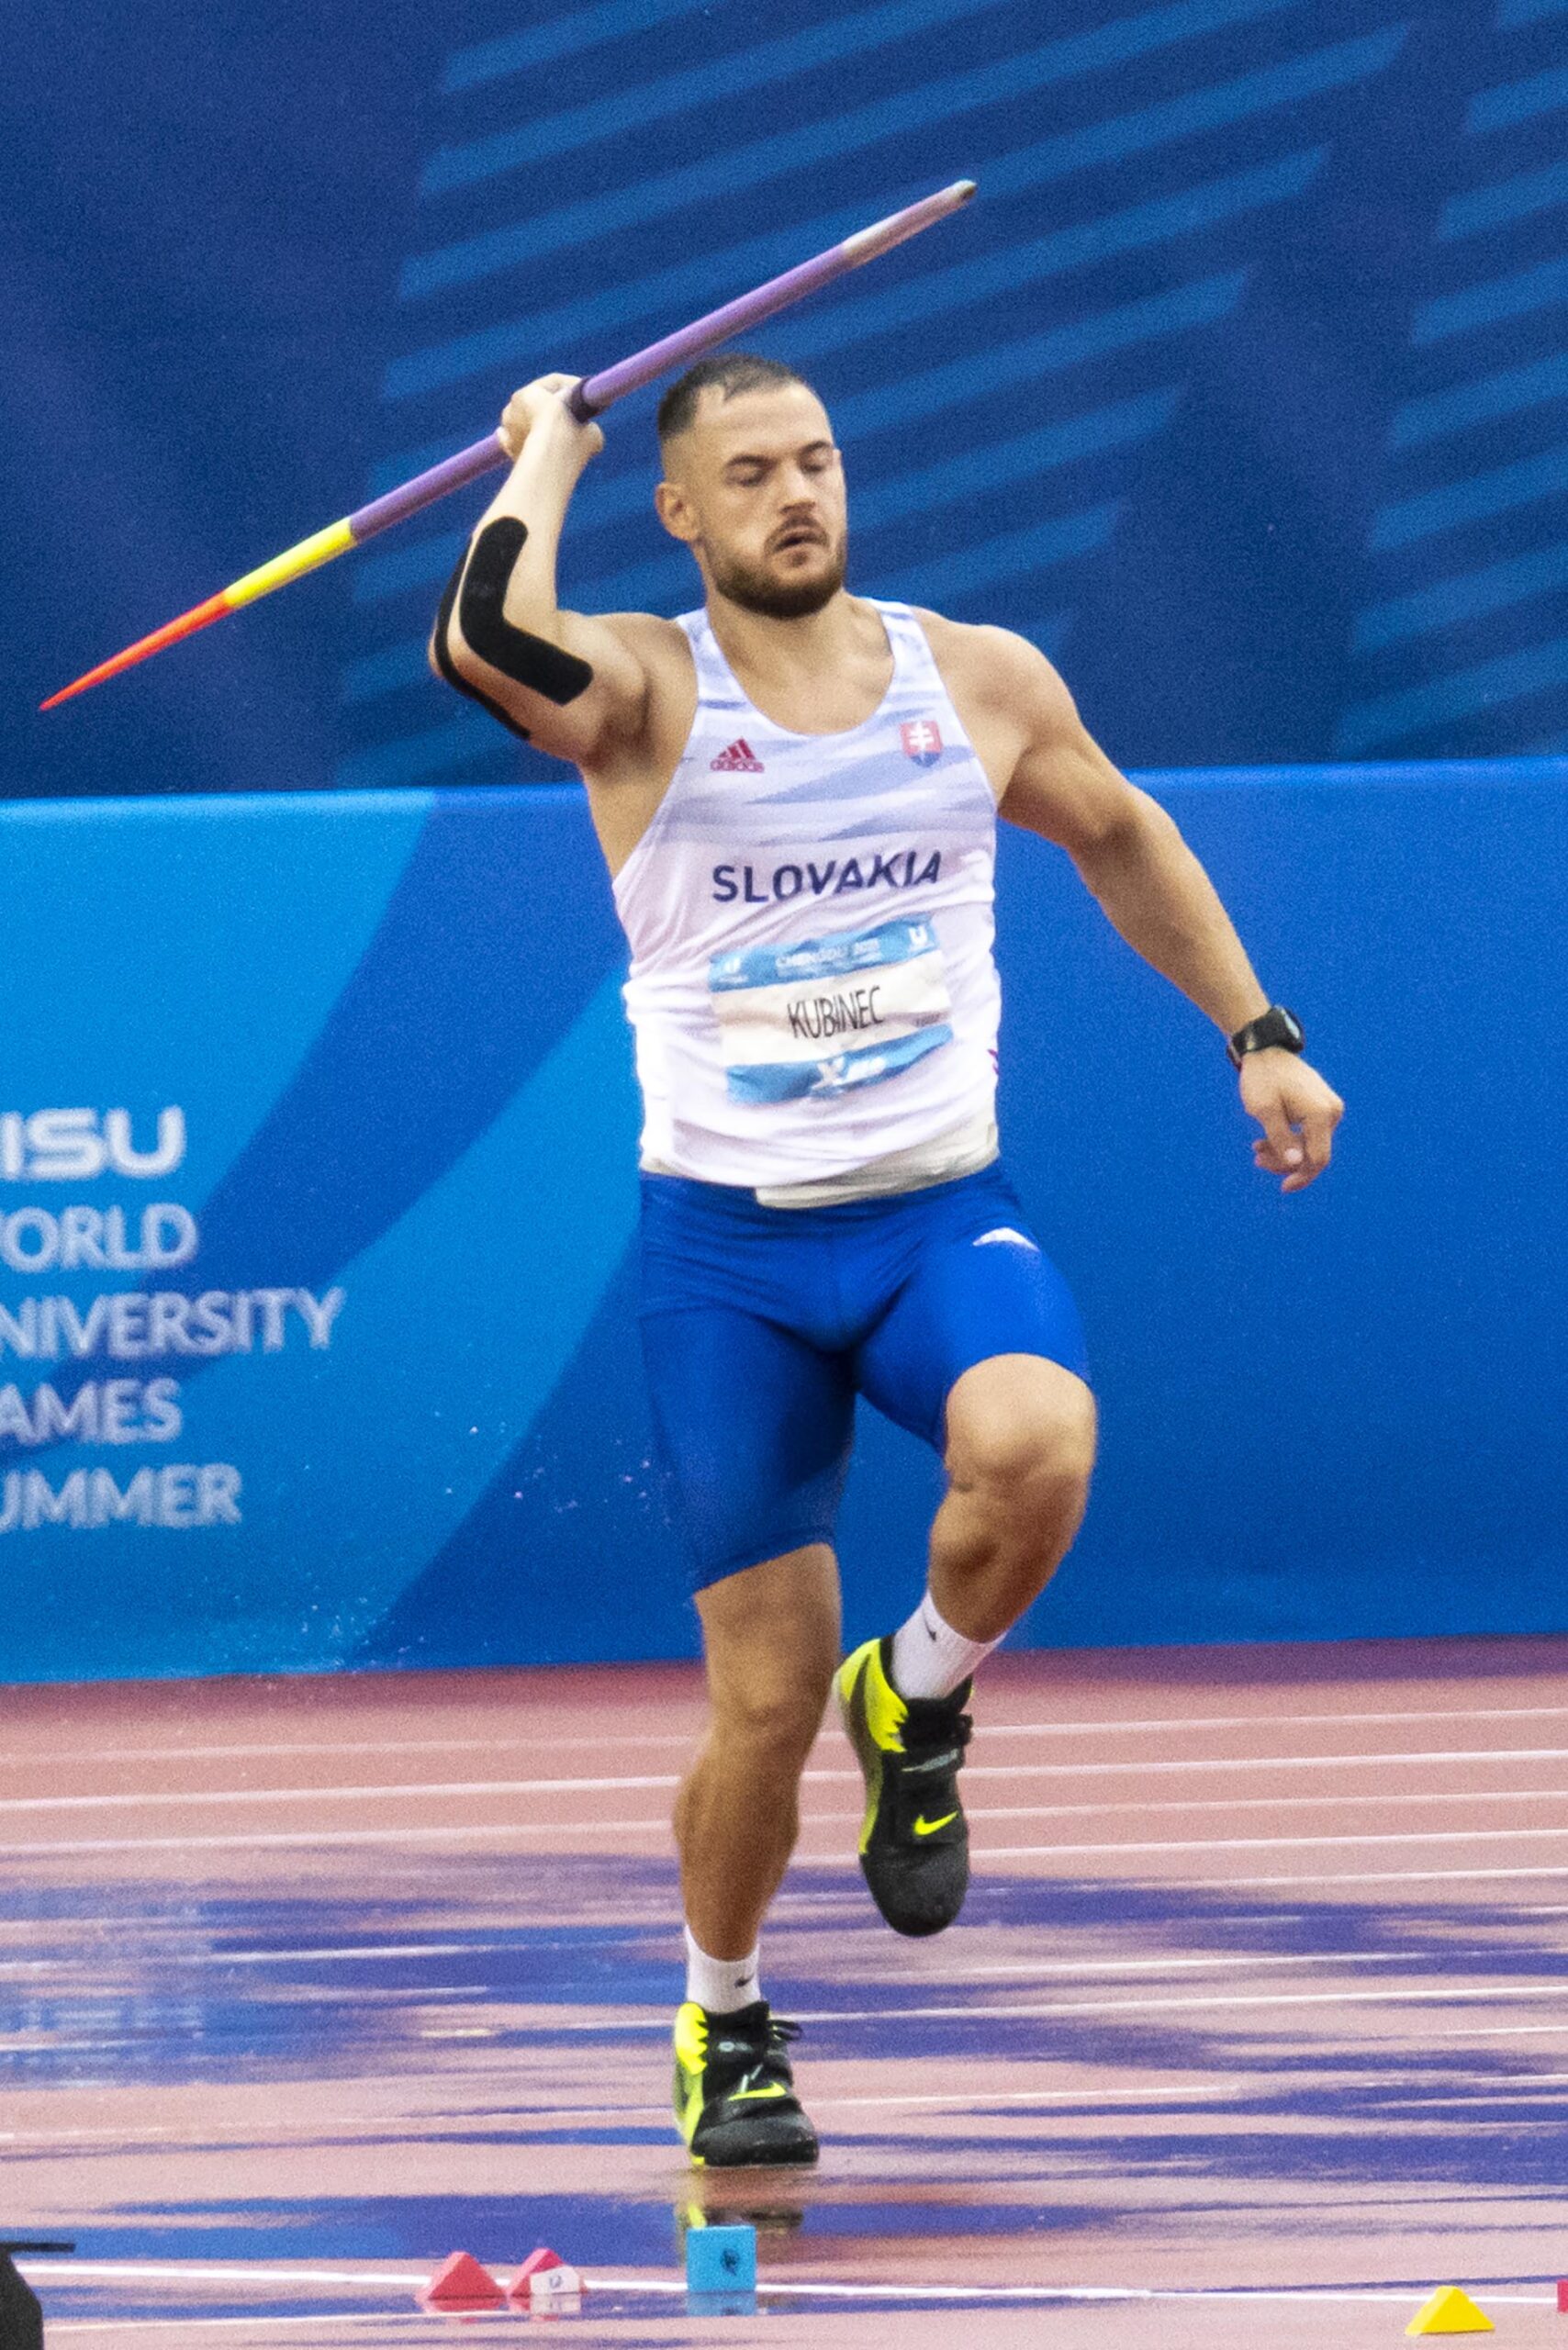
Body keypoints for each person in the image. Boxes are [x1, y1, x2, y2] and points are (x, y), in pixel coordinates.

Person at [430, 352, 1343, 2169]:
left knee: (1039, 1444)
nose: (796, 493)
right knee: (759, 1708)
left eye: (818, 461)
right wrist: (545, 447)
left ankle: (915, 1688)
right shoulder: (641, 691)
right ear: (679, 513)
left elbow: (1121, 832)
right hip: (730, 1266)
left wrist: (1257, 1031)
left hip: (932, 1216)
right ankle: (723, 2014)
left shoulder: (974, 679)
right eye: (749, 473)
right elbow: (482, 640)